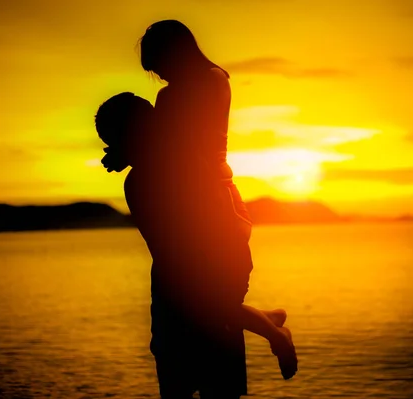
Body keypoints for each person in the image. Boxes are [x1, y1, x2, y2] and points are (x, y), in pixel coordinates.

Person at [94, 66, 297, 397]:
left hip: (202, 261)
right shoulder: (157, 168)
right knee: (208, 328)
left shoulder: (169, 167)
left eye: (115, 139)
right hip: (185, 270)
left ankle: (273, 332)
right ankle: (265, 321)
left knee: (208, 329)